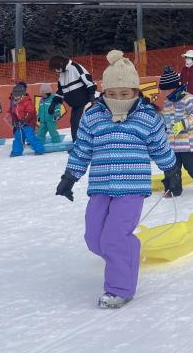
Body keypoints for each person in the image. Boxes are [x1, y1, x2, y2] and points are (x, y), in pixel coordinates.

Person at [56, 50, 178, 309]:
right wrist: (69, 177)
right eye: (112, 93)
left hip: (132, 188)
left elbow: (160, 147)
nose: (118, 99)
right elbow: (82, 149)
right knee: (94, 238)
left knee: (114, 237)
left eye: (125, 94)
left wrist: (171, 172)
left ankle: (119, 288)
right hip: (100, 186)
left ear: (135, 92)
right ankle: (126, 254)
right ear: (104, 92)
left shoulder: (147, 117)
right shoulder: (93, 116)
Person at [158, 65, 193, 195]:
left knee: (191, 164)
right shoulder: (166, 103)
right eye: (163, 90)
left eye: (167, 90)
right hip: (171, 142)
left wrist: (183, 124)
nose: (165, 93)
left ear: (174, 88)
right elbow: (163, 119)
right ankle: (173, 189)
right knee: (172, 166)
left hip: (188, 143)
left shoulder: (189, 99)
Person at [49, 55, 97, 141]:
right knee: (74, 123)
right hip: (75, 106)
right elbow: (60, 91)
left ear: (61, 64)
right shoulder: (61, 76)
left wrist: (92, 97)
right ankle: (76, 144)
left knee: (79, 124)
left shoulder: (75, 68)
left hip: (85, 102)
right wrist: (53, 103)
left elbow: (89, 82)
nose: (56, 71)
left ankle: (84, 143)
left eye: (56, 68)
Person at [9, 84, 45, 156]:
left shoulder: (27, 102)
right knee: (18, 137)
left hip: (29, 123)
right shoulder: (15, 103)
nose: (16, 97)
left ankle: (39, 149)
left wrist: (25, 120)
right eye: (15, 96)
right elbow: (13, 113)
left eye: (17, 96)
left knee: (30, 137)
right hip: (20, 123)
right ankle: (16, 152)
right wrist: (14, 122)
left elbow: (31, 112)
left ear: (22, 95)